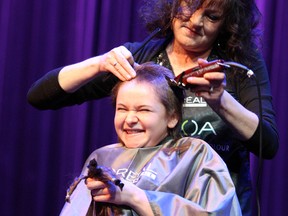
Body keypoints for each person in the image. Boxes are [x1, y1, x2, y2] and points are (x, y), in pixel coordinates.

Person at [27, 0, 279, 215]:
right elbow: (40, 96)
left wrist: (221, 101)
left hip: (213, 203)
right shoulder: (142, 59)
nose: (195, 21)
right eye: (189, 6)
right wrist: (100, 63)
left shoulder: (238, 65)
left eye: (211, 16)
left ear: (227, 22)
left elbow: (267, 144)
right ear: (172, 5)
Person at [60, 63, 241, 215]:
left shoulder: (194, 154)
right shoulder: (102, 157)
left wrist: (134, 197)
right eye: (122, 109)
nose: (130, 119)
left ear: (172, 117)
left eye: (143, 110)